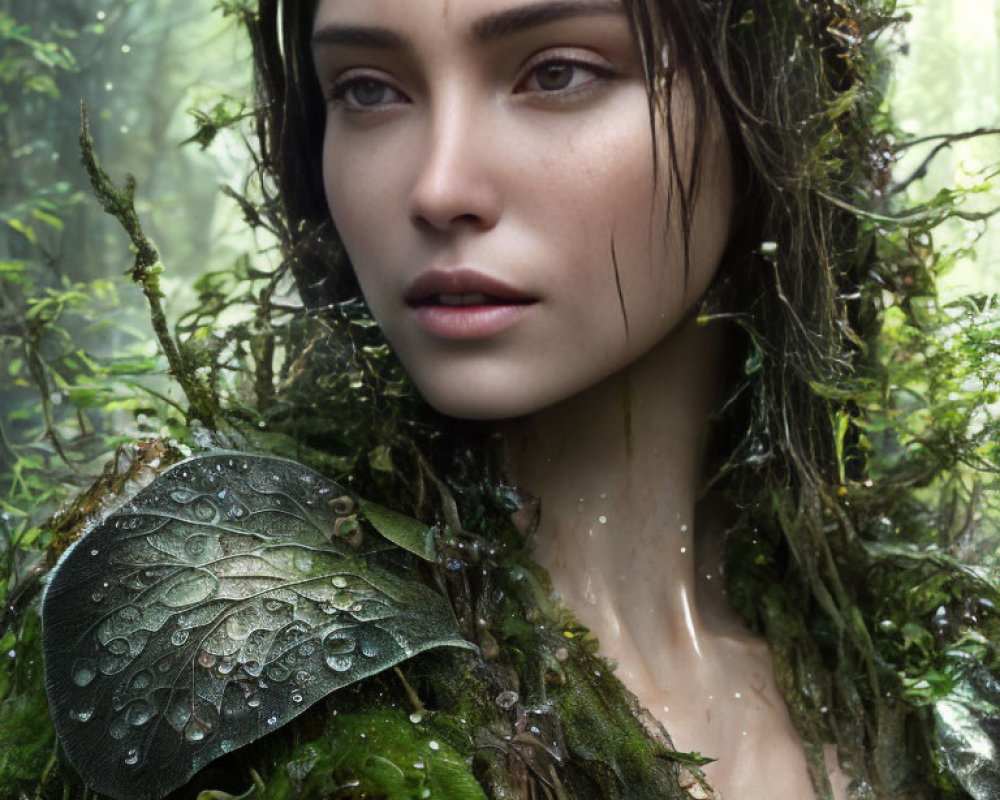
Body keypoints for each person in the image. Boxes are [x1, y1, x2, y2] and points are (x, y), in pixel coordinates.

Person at [23, 1, 1000, 799]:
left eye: (558, 71)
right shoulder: (217, 612)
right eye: (367, 89)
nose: (439, 186)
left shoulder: (926, 684)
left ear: (766, 106)